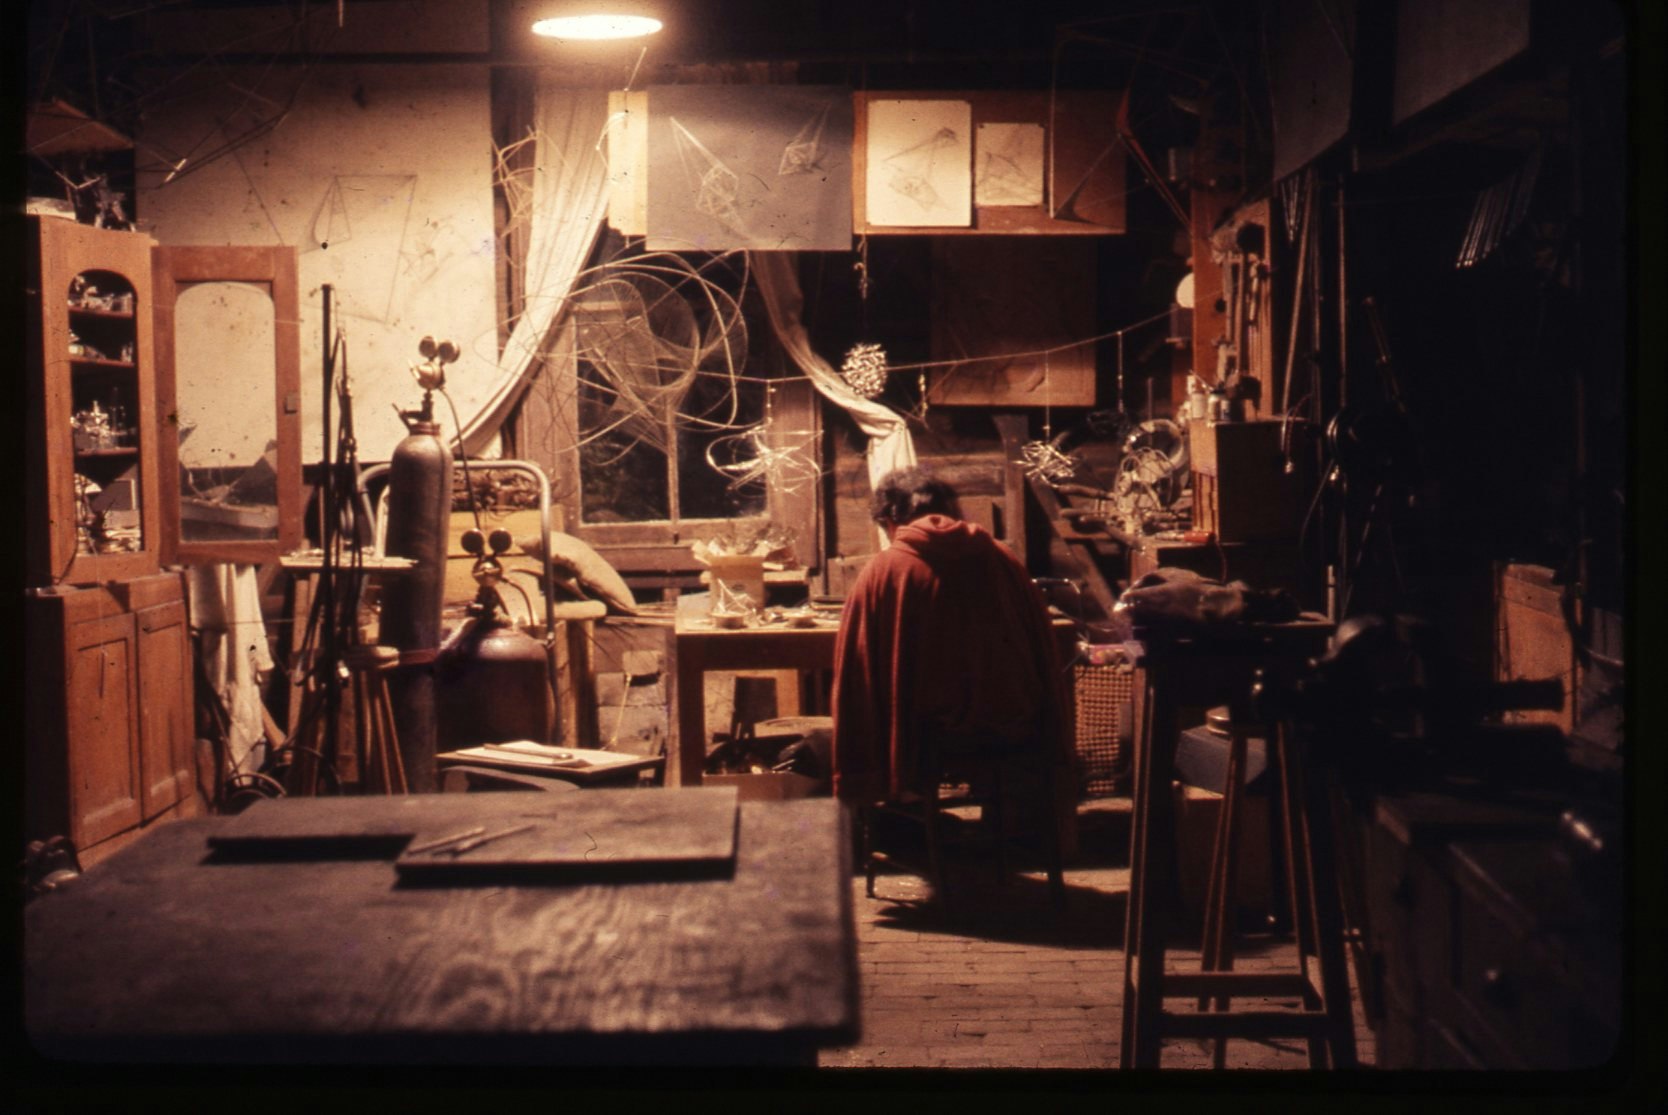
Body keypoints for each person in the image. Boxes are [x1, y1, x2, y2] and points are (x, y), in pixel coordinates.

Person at [830, 467, 1072, 815]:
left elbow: (858, 671)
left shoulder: (884, 569)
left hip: (930, 738)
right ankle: (1020, 828)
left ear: (891, 519)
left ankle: (907, 819)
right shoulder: (1002, 557)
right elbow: (1041, 647)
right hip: (1013, 724)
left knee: (897, 708)